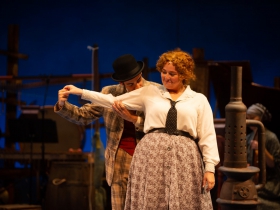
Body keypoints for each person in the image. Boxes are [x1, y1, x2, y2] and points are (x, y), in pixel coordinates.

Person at [62, 49, 220, 209]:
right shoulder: (148, 93)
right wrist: (79, 92)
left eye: (172, 73)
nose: (166, 77)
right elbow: (108, 102)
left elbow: (207, 134)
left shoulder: (191, 98)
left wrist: (210, 168)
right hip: (139, 158)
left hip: (175, 157)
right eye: (164, 72)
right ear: (121, 82)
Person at [54, 54, 159, 210]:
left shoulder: (154, 91)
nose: (137, 86)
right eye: (131, 84)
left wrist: (132, 118)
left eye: (139, 80)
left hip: (149, 157)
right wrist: (63, 104)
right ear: (122, 82)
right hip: (120, 158)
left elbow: (161, 126)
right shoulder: (109, 93)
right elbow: (83, 116)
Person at [246, 103, 280, 210]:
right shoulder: (248, 137)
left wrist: (261, 148)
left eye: (252, 118)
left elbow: (274, 164)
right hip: (253, 179)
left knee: (250, 195)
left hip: (269, 183)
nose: (249, 120)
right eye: (248, 118)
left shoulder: (271, 137)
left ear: (260, 118)